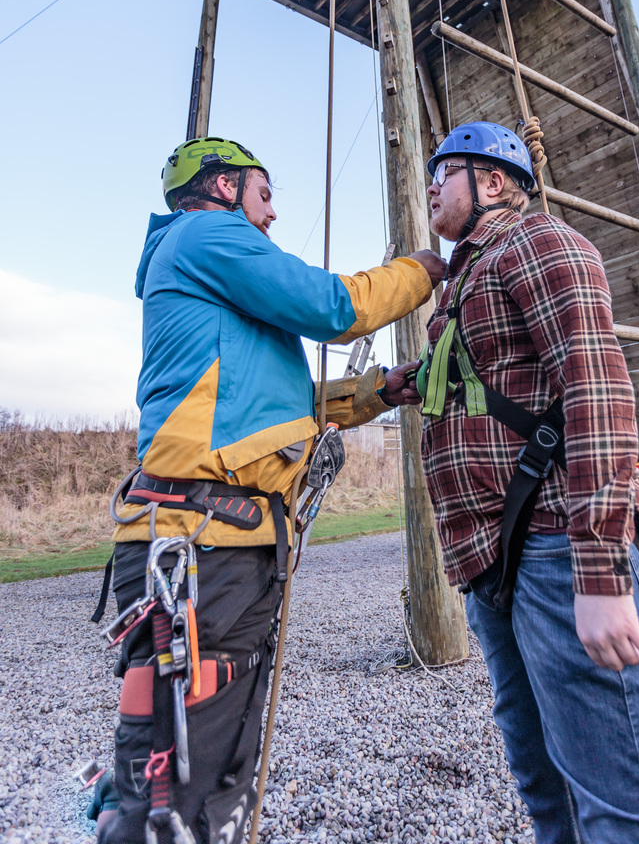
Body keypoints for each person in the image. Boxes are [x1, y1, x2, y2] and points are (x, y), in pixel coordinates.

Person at [95, 136, 446, 844]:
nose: (273, 213)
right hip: (203, 540)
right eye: (263, 192)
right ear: (224, 187)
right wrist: (420, 271)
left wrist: (375, 391)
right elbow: (330, 306)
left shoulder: (205, 263)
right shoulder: (208, 234)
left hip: (215, 535)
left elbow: (268, 401)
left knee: (200, 749)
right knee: (183, 770)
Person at [401, 121, 639, 844]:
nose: (430, 186)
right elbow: (456, 379)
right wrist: (364, 393)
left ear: (493, 182)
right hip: (493, 559)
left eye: (443, 172)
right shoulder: (468, 274)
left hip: (557, 547)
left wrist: (600, 574)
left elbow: (595, 387)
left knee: (623, 798)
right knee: (542, 782)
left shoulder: (538, 243)